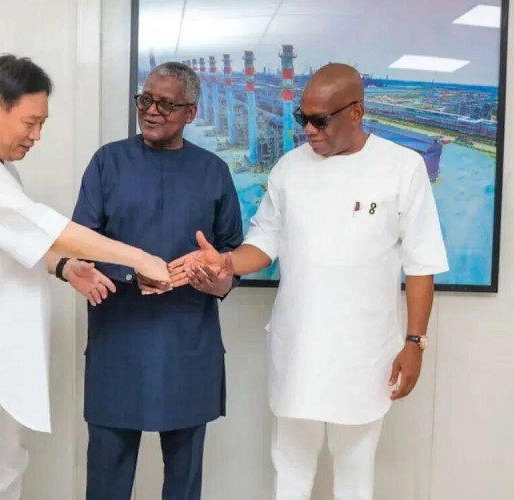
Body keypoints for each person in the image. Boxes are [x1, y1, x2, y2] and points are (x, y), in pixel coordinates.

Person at [170, 63, 449, 500]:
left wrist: (415, 342)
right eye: (303, 118)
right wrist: (226, 261)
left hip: (365, 353)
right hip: (298, 349)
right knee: (291, 470)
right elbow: (264, 242)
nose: (309, 130)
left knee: (355, 472)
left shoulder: (403, 168)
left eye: (320, 121)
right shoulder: (289, 168)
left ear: (356, 112)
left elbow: (421, 264)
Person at [0, 54, 169, 499]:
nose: (36, 136)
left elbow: (11, 242)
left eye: (42, 124)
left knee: (4, 475)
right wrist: (140, 258)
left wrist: (64, 267)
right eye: (30, 122)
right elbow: (49, 228)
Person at [70, 61, 243, 500]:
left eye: (165, 104)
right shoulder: (108, 162)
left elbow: (231, 257)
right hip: (118, 345)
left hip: (189, 347)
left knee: (184, 484)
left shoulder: (214, 171)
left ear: (191, 112)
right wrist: (131, 272)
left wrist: (217, 281)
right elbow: (80, 243)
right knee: (106, 482)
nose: (150, 110)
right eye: (145, 99)